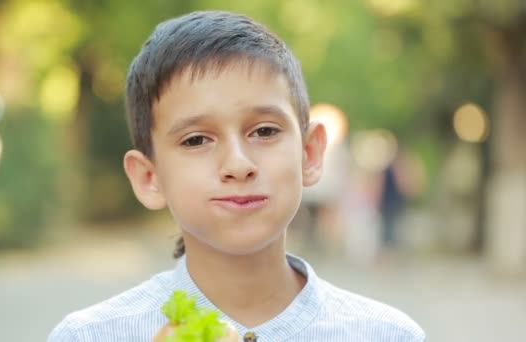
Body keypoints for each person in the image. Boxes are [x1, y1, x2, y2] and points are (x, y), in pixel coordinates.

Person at [48, 11, 425, 341]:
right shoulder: (91, 335)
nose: (238, 164)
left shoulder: (386, 334)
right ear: (149, 177)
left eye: (264, 131)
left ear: (309, 154)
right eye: (196, 139)